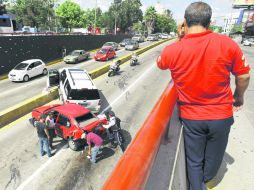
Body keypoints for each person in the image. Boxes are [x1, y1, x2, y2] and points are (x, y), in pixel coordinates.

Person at [157, 2, 250, 190]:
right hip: (221, 116)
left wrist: (179, 38)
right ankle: (205, 180)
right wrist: (238, 96)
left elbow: (161, 63)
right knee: (215, 159)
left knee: (193, 161)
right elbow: (244, 75)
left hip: (192, 118)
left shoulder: (173, 50)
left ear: (184, 22)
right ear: (209, 22)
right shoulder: (227, 43)